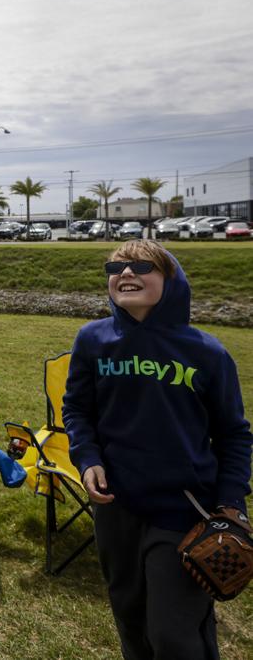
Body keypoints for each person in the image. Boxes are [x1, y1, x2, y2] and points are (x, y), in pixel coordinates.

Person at [63, 239, 251, 660]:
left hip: (184, 511)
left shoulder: (206, 352)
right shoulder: (92, 340)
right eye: (115, 267)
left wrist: (231, 503)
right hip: (116, 507)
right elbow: (77, 409)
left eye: (142, 266)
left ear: (172, 279)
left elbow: (235, 434)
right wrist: (88, 457)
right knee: (131, 621)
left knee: (173, 635)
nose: (125, 273)